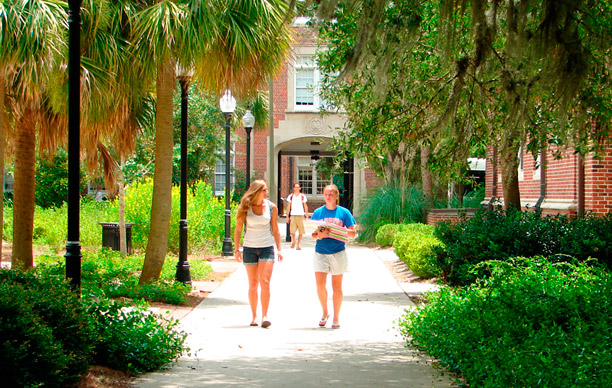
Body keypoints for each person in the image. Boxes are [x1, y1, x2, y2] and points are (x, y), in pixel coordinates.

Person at [234, 180, 283, 328]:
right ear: (256, 191)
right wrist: (236, 249)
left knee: (265, 281)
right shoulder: (245, 207)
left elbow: (275, 229)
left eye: (266, 190)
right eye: (263, 190)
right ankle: (254, 315)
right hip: (249, 247)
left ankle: (265, 316)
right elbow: (238, 229)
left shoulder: (271, 207)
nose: (266, 192)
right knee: (253, 284)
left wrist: (279, 249)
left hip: (267, 247)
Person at [311, 184, 356, 329]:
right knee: (320, 286)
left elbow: (353, 233)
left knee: (337, 286)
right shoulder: (318, 212)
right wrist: (319, 235)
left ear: (337, 196)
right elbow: (312, 233)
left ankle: (336, 317)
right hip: (321, 252)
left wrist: (342, 230)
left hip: (338, 252)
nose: (328, 197)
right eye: (326, 194)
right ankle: (325, 312)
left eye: (331, 194)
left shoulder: (344, 213)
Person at [286, 183, 309, 250]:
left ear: (300, 188)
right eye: (295, 187)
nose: (296, 188)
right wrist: (287, 216)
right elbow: (288, 206)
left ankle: (298, 245)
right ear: (293, 188)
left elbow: (305, 206)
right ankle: (293, 240)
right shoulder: (291, 196)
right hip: (293, 215)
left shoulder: (302, 196)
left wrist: (307, 216)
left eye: (298, 187)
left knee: (301, 231)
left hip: (301, 215)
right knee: (292, 231)